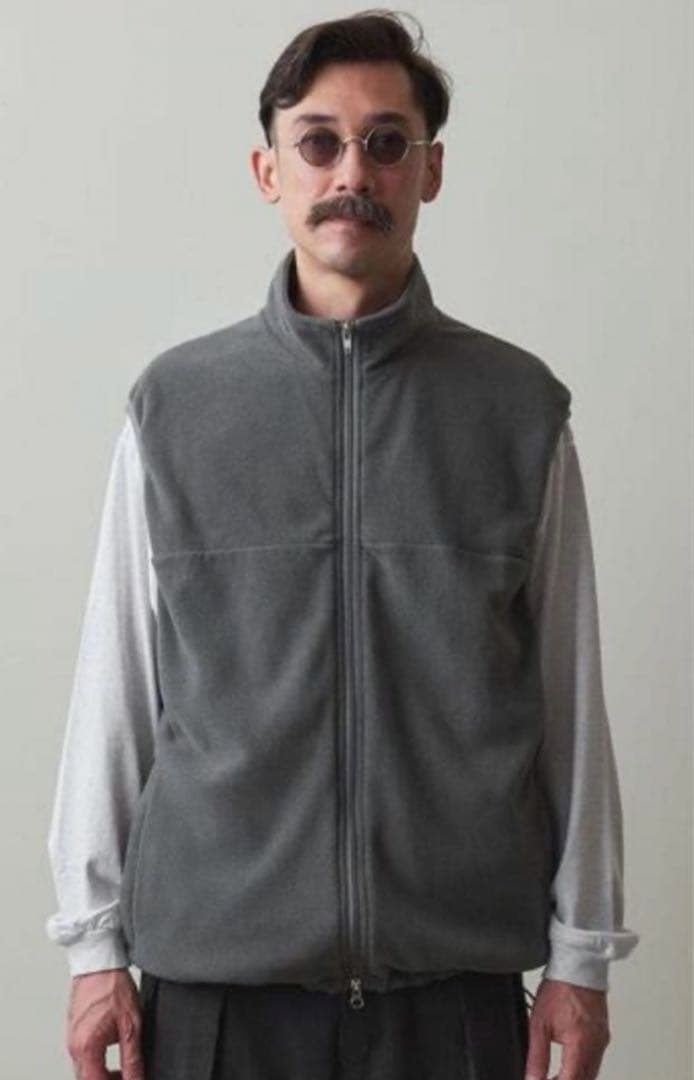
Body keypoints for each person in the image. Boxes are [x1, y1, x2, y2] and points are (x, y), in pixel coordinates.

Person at [45, 10, 640, 1080]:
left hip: (454, 1004)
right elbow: (116, 691)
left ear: (430, 170)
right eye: (318, 141)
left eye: (385, 141)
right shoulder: (176, 409)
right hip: (215, 1005)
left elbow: (569, 696)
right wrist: (93, 951)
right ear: (268, 170)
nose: (351, 172)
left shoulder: (518, 411)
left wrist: (582, 956)